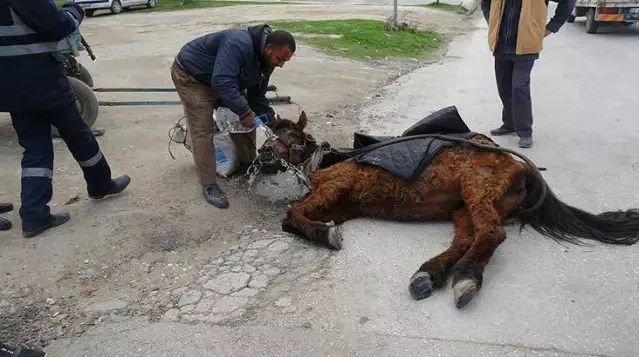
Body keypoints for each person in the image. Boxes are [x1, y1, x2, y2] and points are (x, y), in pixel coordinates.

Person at [0, 0, 131, 238]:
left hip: (10, 85)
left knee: (35, 147)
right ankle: (101, 185)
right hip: (41, 80)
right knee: (79, 135)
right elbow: (57, 25)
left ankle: (34, 214)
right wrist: (75, 10)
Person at [171, 24, 295, 208]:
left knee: (246, 119)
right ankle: (209, 184)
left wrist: (272, 121)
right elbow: (221, 81)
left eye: (286, 61)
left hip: (222, 78)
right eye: (280, 58)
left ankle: (248, 163)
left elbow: (257, 97)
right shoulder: (239, 43)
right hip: (192, 77)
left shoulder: (268, 60)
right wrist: (244, 112)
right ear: (268, 48)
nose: (281, 64)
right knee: (202, 130)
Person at [481, 0, 576, 148]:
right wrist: (493, 22)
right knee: (504, 88)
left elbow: (568, 2)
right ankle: (510, 124)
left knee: (519, 87)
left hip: (527, 47)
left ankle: (525, 131)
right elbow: (485, 3)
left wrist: (552, 27)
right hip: (500, 46)